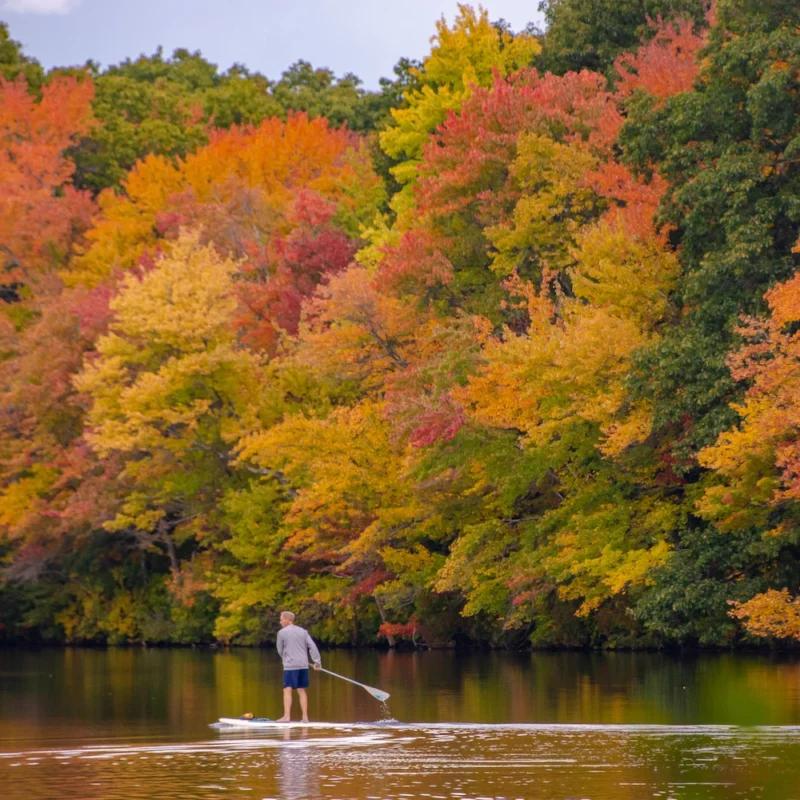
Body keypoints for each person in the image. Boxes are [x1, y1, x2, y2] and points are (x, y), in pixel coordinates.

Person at [275, 611, 321, 723]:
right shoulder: (303, 631)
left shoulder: (281, 633)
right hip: (303, 665)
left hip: (290, 666)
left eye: (281, 619)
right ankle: (305, 718)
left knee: (287, 689)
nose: (280, 622)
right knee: (301, 690)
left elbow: (280, 650)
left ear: (287, 620)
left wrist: (285, 659)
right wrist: (317, 662)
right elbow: (312, 646)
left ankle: (286, 717)